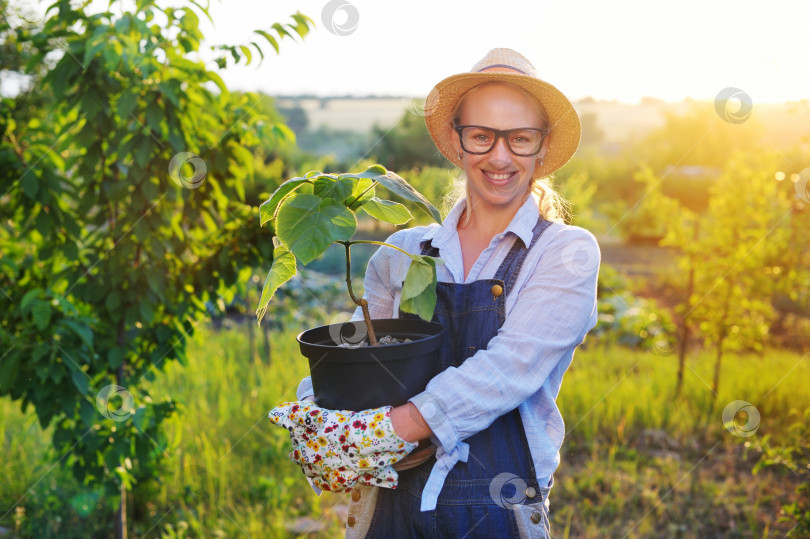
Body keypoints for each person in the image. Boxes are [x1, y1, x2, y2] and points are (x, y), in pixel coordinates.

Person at [269, 48, 600, 538]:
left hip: (496, 512)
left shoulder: (565, 252)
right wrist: (319, 415)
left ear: (542, 148)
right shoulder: (402, 252)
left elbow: (508, 369)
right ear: (457, 140)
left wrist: (387, 431)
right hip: (388, 507)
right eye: (482, 136)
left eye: (521, 138)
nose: (500, 156)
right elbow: (363, 366)